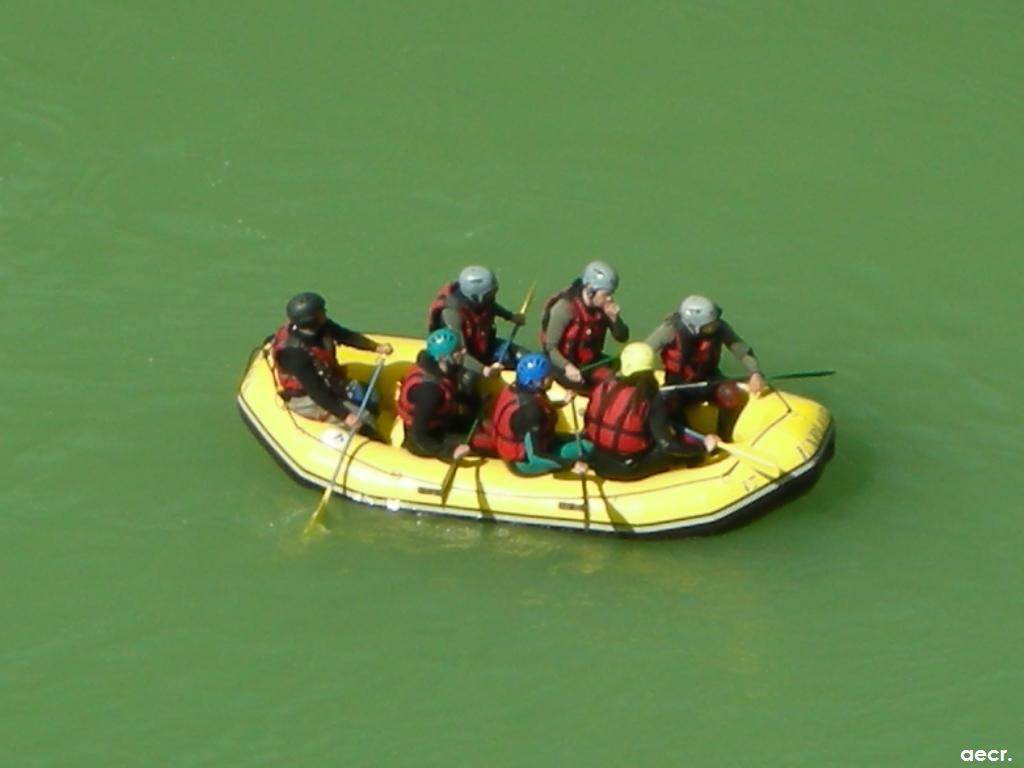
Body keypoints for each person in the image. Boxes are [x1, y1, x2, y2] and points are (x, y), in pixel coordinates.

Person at [584, 342, 719, 481]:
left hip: (597, 460)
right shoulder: (650, 397)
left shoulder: (603, 387)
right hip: (627, 468)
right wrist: (703, 447)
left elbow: (588, 424)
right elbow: (667, 446)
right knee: (676, 450)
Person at [645, 295, 766, 440]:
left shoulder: (720, 327)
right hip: (678, 385)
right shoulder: (669, 330)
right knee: (666, 405)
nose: (715, 325)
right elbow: (642, 351)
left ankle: (724, 437)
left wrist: (755, 373)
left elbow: (742, 351)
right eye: (710, 324)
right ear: (694, 326)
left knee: (731, 395)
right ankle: (689, 440)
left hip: (710, 380)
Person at [271, 292, 392, 429]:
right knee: (365, 421)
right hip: (307, 398)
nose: (325, 312)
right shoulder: (294, 354)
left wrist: (375, 347)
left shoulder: (321, 326)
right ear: (312, 320)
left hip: (329, 381)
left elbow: (344, 335)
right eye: (322, 311)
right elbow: (316, 391)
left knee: (373, 397)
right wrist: (346, 415)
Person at [487, 354, 590, 476]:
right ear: (537, 382)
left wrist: (562, 402)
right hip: (524, 464)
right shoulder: (531, 412)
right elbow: (535, 457)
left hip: (541, 441)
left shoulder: (518, 389)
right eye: (548, 376)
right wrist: (571, 465)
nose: (552, 377)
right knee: (588, 447)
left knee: (583, 437)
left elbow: (541, 406)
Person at [396, 329, 490, 462]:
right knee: (486, 443)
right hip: (427, 440)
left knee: (488, 427)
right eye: (458, 351)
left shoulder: (441, 369)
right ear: (444, 358)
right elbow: (419, 434)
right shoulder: (429, 393)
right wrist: (450, 452)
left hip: (444, 422)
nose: (463, 352)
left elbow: (450, 392)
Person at [539, 260, 629, 389]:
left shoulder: (603, 307)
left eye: (611, 294)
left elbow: (622, 337)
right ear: (591, 291)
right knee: (610, 382)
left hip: (590, 362)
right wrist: (568, 367)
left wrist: (615, 319)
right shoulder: (564, 308)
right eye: (606, 294)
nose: (609, 298)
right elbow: (550, 348)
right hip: (562, 365)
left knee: (624, 367)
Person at [427, 265, 526, 377]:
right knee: (469, 379)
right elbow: (459, 354)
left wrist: (510, 316)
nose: (493, 296)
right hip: (464, 360)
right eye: (490, 294)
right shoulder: (451, 315)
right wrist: (484, 370)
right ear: (475, 296)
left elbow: (491, 306)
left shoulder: (481, 300)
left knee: (522, 355)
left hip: (485, 346)